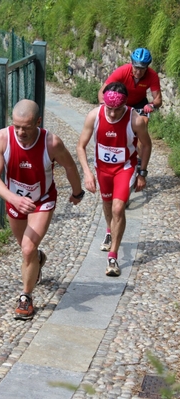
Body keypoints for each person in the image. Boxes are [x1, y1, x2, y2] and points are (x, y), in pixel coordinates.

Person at [0, 99, 84, 320]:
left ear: (38, 122)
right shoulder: (3, 138)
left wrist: (77, 192)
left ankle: (26, 298)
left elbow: (70, 166)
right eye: (17, 126)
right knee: (25, 247)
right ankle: (39, 259)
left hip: (42, 199)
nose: (21, 132)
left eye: (27, 127)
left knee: (28, 248)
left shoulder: (52, 143)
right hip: (15, 200)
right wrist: (14, 199)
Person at [77, 82, 152, 277]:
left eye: (117, 110)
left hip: (124, 168)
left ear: (125, 105)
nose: (111, 114)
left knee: (118, 208)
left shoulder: (135, 120)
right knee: (107, 203)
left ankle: (113, 256)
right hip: (102, 169)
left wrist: (142, 172)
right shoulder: (94, 116)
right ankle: (109, 230)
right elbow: (80, 146)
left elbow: (147, 145)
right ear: (104, 104)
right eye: (109, 109)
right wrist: (87, 172)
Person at [98, 47, 161, 164]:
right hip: (121, 102)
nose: (138, 72)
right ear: (131, 63)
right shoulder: (122, 71)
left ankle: (139, 161)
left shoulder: (152, 76)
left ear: (147, 67)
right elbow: (102, 91)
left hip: (139, 103)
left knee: (143, 124)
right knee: (115, 125)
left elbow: (158, 99)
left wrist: (152, 105)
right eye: (136, 67)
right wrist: (103, 106)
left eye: (142, 69)